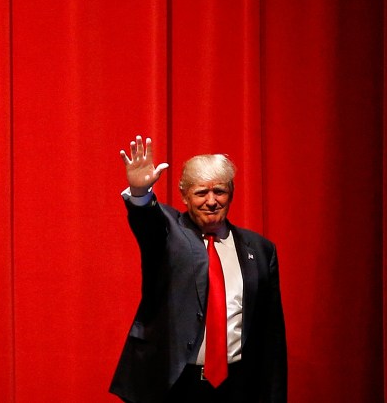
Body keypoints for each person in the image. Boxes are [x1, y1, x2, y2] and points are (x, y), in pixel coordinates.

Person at [109, 136, 287, 403]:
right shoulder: (169, 231)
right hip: (175, 386)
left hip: (238, 386)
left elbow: (271, 335)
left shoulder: (261, 251)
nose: (211, 201)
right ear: (185, 195)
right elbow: (148, 223)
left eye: (220, 191)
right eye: (201, 192)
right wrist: (140, 194)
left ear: (232, 193)